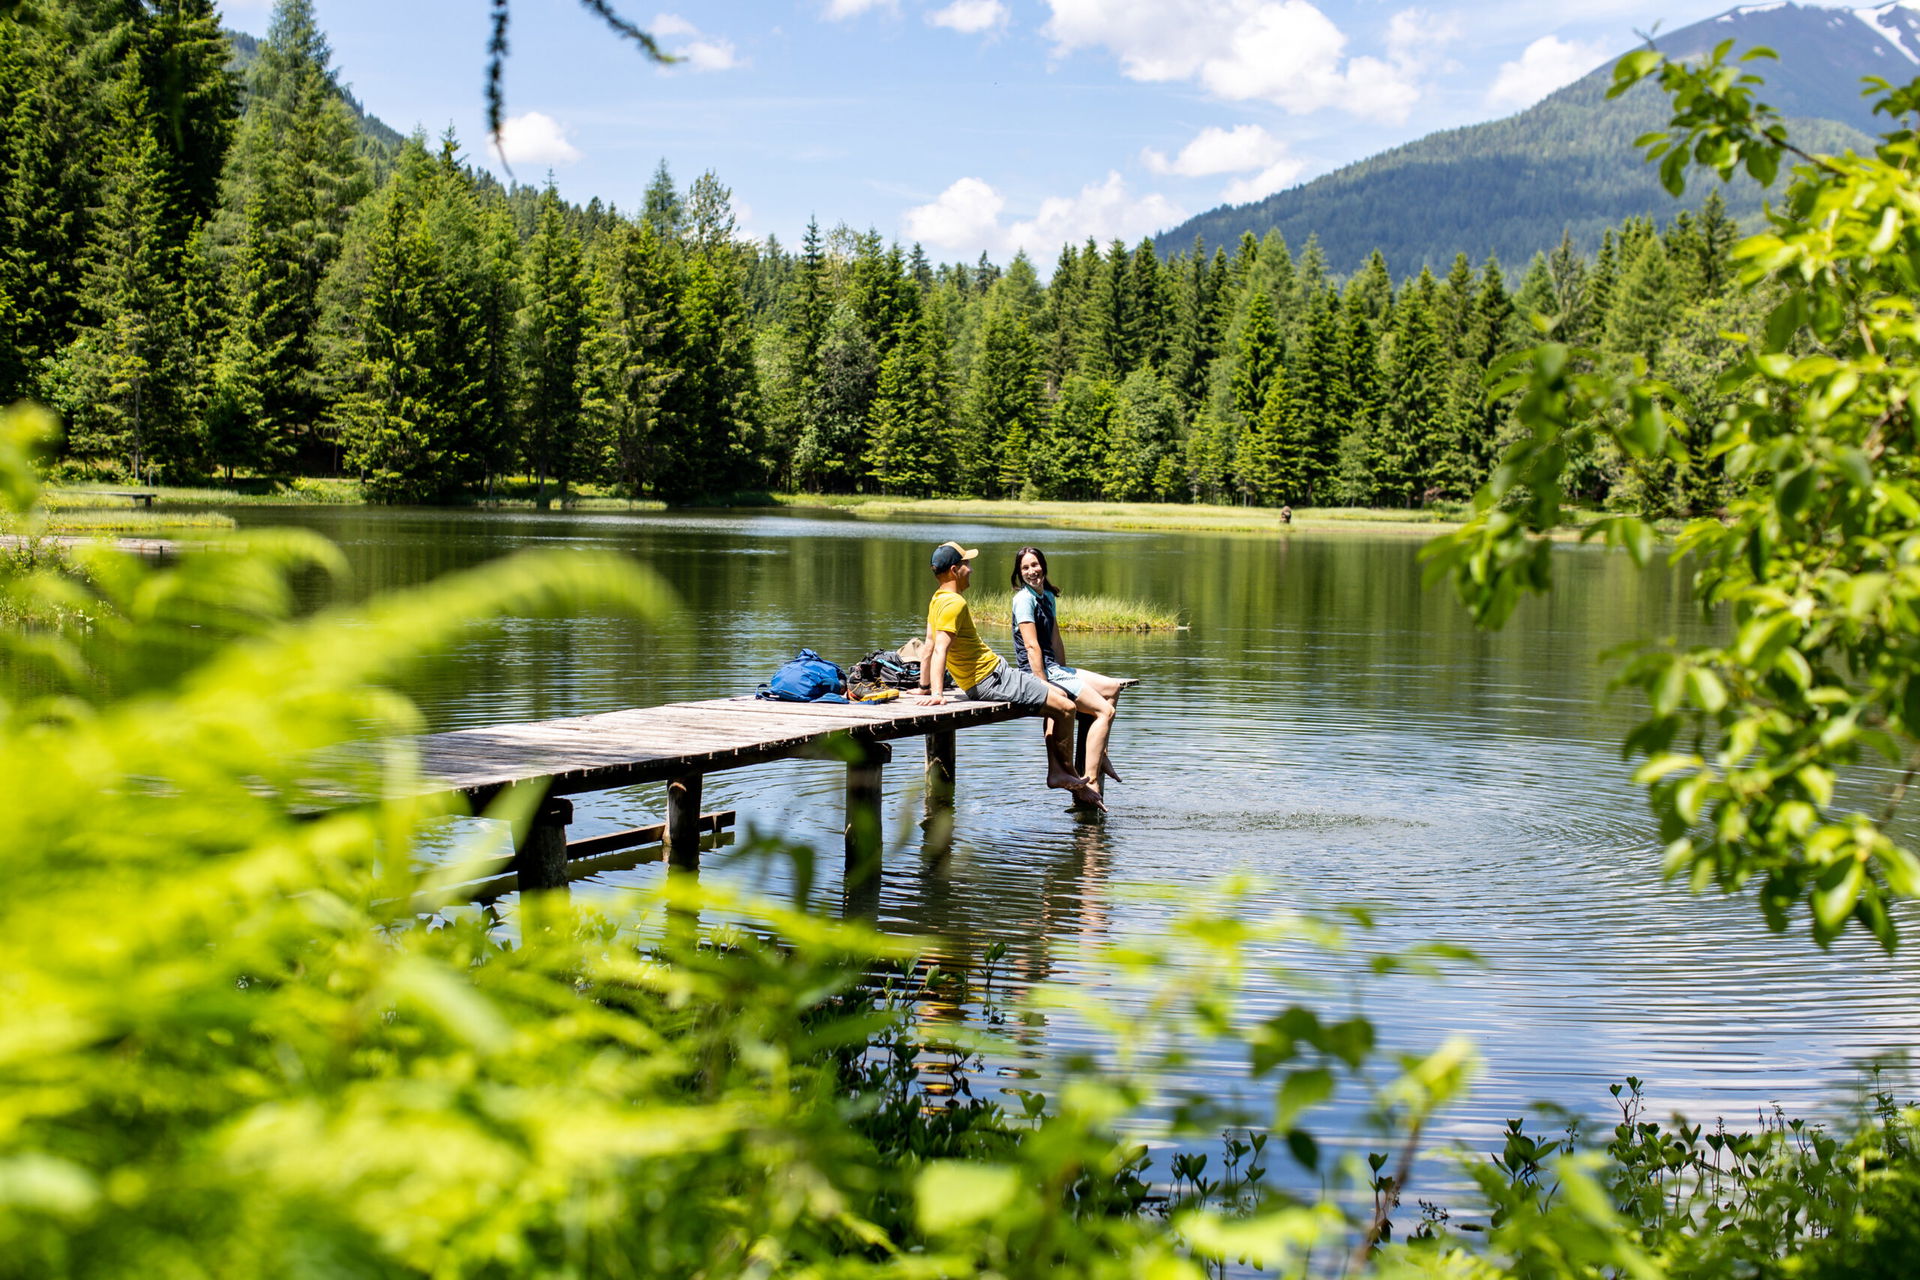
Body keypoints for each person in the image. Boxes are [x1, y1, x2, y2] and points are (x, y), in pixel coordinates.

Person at [915, 540, 1104, 810]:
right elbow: (939, 650)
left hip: (994, 673)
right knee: (1066, 707)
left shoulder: (938, 599)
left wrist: (923, 686)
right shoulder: (953, 604)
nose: (971, 570)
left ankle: (1061, 770)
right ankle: (1061, 772)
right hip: (990, 678)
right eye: (967, 565)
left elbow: (928, 647)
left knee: (1060, 695)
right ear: (955, 570)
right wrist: (936, 694)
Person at [1009, 546, 1124, 794]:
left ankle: (1100, 753)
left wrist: (1064, 672)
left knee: (1113, 687)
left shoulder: (1047, 596)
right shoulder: (1023, 600)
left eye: (1035, 565)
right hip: (1035, 672)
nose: (1032, 571)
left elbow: (1055, 639)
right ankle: (1090, 780)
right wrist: (1044, 685)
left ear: (1043, 566)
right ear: (1019, 574)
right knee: (1105, 711)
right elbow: (1031, 647)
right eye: (1025, 568)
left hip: (1054, 669)